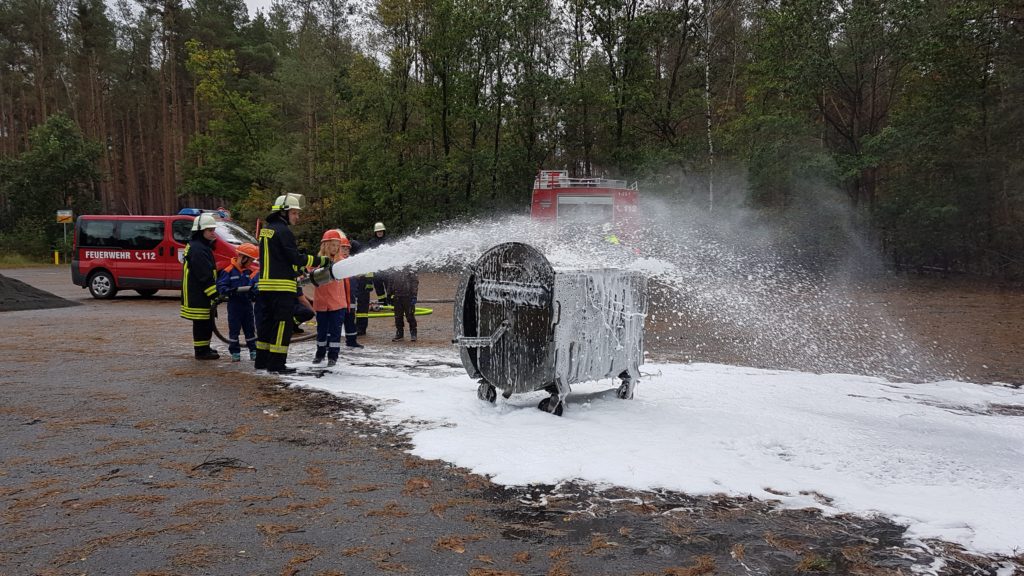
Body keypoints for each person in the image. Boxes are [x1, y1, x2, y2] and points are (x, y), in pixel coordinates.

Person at [254, 193, 331, 374]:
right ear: (283, 212)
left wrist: (295, 268)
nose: (297, 217)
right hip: (281, 288)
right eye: (295, 213)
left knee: (266, 325)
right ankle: (277, 364)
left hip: (265, 287)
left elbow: (279, 258)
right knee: (282, 325)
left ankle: (262, 361)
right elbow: (294, 257)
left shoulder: (267, 230)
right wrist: (321, 261)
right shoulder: (283, 231)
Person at [180, 213, 221, 360]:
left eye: (213, 229)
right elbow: (204, 274)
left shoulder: (199, 246)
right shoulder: (198, 249)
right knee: (202, 323)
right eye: (209, 230)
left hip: (198, 292)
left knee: (205, 322)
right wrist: (214, 294)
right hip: (199, 293)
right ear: (200, 231)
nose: (212, 233)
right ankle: (201, 351)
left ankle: (204, 347)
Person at [311, 229, 351, 367]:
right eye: (332, 245)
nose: (335, 248)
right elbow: (309, 276)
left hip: (337, 304)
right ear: (325, 245)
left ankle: (333, 356)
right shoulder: (317, 261)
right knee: (321, 331)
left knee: (335, 332)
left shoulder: (342, 262)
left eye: (337, 245)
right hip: (321, 303)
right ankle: (320, 354)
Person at [216, 243, 259, 362]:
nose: (251, 263)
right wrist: (231, 291)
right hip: (234, 306)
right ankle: (235, 352)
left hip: (247, 305)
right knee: (234, 330)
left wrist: (254, 291)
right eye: (251, 260)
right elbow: (221, 287)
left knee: (250, 329)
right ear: (243, 257)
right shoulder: (228, 271)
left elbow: (253, 286)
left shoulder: (248, 272)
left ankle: (253, 351)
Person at [354, 221, 389, 336]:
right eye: (377, 231)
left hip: (386, 268)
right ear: (375, 232)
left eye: (381, 231)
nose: (379, 233)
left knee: (388, 286)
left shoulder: (388, 241)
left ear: (383, 231)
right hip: (376, 268)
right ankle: (382, 303)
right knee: (378, 287)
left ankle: (389, 303)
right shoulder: (371, 243)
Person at [389, 266, 419, 342]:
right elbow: (390, 282)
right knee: (398, 317)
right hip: (397, 297)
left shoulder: (411, 269)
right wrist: (389, 295)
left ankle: (413, 333)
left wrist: (414, 295)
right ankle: (399, 334)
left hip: (408, 297)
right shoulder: (394, 269)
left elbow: (415, 283)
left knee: (410, 316)